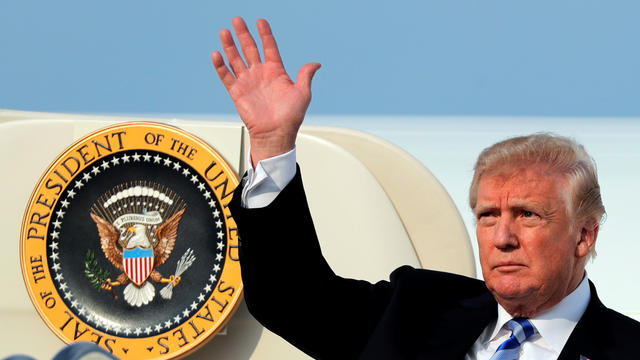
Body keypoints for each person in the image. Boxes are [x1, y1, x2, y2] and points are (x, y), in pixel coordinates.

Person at [212, 17, 640, 360]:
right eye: (488, 216)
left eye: (528, 214)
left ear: (584, 235)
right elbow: (290, 298)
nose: (502, 239)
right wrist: (272, 147)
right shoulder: (418, 310)